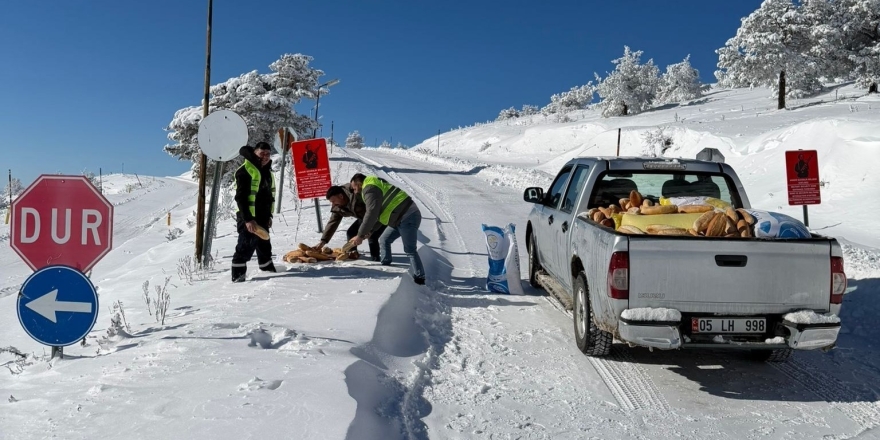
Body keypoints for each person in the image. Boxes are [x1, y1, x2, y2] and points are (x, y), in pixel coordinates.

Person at [348, 173, 425, 285]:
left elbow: (372, 213)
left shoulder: (369, 188)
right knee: (384, 239)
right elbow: (380, 215)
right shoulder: (374, 184)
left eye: (354, 188)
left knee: (410, 249)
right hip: (398, 218)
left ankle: (420, 278)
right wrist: (370, 231)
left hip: (407, 216)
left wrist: (360, 235)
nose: (355, 191)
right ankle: (386, 266)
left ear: (359, 183)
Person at [231, 142, 277, 282]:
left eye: (268, 154)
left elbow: (269, 196)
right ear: (255, 153)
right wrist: (248, 219)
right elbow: (241, 197)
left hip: (263, 215)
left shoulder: (267, 172)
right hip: (248, 216)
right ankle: (238, 277)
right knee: (245, 246)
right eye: (262, 153)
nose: (265, 157)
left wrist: (269, 215)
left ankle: (267, 269)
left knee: (264, 245)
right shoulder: (245, 170)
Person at [313, 184, 386, 261]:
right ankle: (352, 254)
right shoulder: (337, 206)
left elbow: (373, 212)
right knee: (351, 232)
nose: (333, 204)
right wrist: (323, 241)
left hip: (380, 215)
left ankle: (376, 259)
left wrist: (369, 231)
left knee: (372, 236)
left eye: (334, 201)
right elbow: (333, 222)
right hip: (363, 217)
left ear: (341, 196)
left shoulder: (357, 194)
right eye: (331, 202)